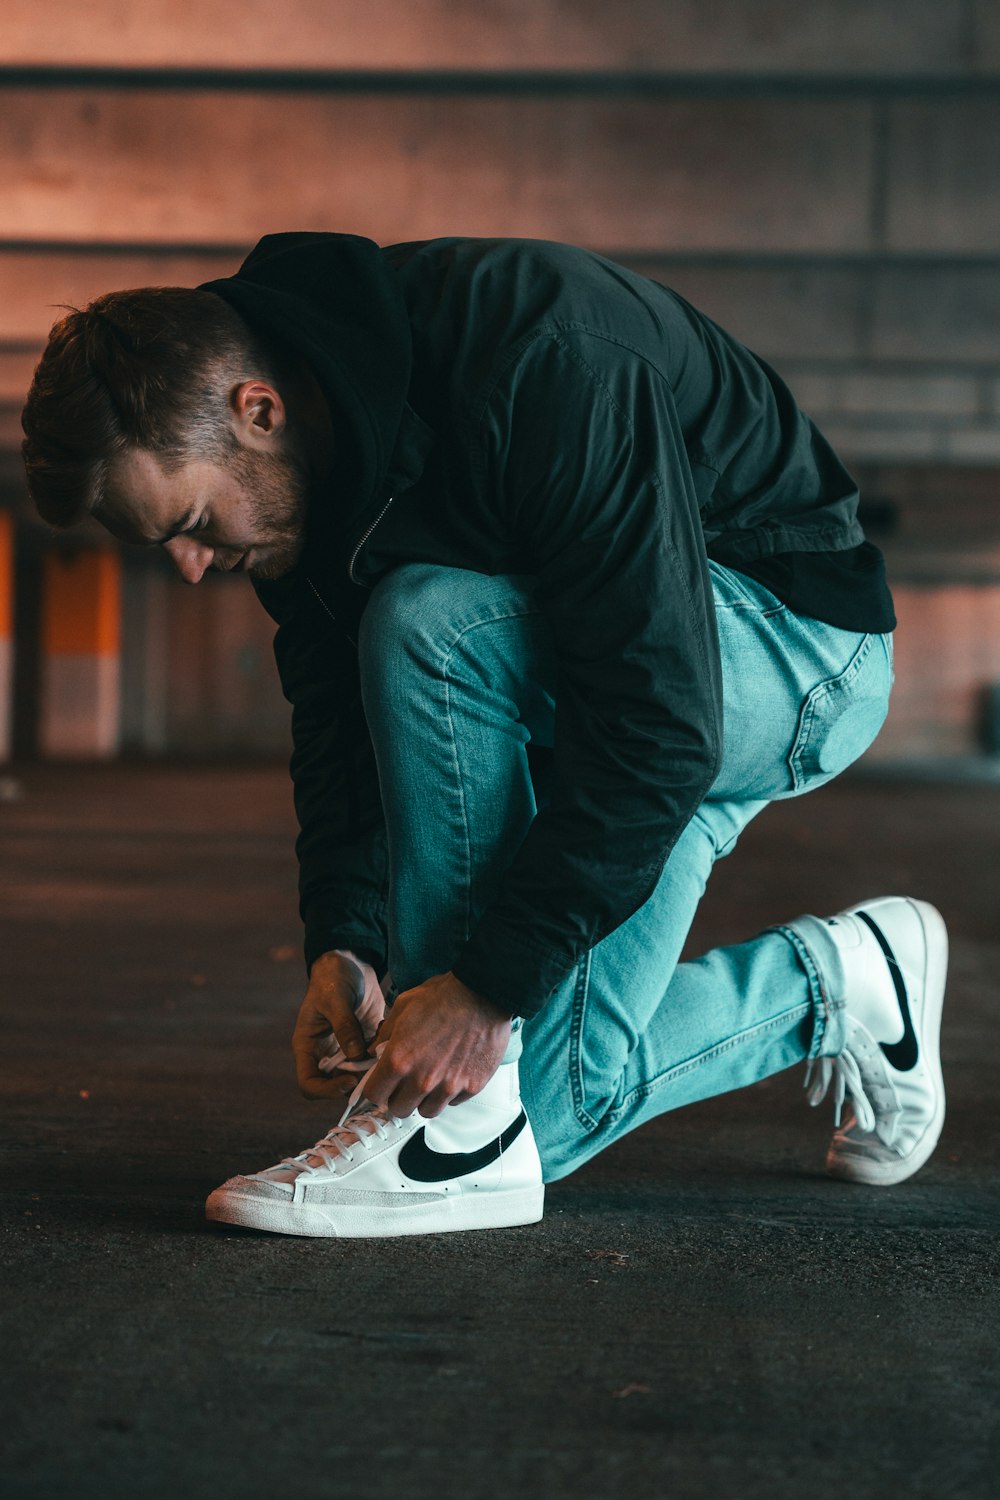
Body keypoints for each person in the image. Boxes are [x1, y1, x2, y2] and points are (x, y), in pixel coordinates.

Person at [21, 233, 948, 1239]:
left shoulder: (542, 357)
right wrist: (347, 936)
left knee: (430, 621)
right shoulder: (301, 480)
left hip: (795, 654)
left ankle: (442, 1139)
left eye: (190, 523)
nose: (194, 566)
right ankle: (847, 980)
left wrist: (481, 992)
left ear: (259, 410)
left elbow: (658, 719)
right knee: (538, 1116)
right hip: (626, 697)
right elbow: (333, 713)